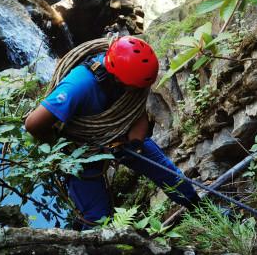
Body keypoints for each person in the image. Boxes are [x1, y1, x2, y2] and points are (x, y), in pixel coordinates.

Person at [24, 36, 199, 227]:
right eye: (134, 87)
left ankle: (203, 211)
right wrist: (61, 148)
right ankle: (93, 250)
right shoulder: (80, 85)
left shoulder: (135, 79)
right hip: (79, 150)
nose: (137, 90)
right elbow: (33, 124)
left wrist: (135, 144)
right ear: (117, 78)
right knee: (97, 216)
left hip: (121, 137)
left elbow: (137, 111)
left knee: (167, 173)